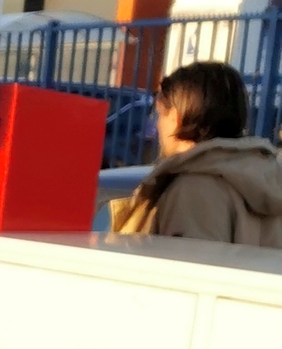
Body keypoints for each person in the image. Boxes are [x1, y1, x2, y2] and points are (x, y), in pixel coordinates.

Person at [109, 59, 282, 247]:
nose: (157, 125)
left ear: (176, 117)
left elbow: (189, 272)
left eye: (159, 114)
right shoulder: (266, 176)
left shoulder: (195, 189)